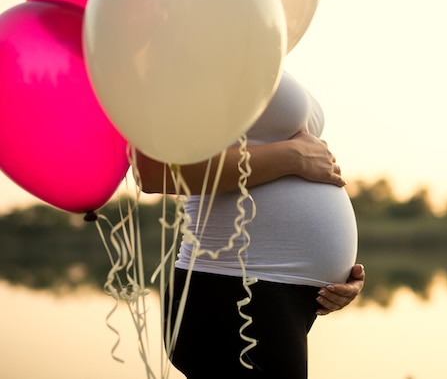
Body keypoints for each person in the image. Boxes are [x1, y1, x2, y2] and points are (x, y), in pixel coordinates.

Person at [136, 70, 363, 378]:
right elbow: (152, 171)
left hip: (276, 296)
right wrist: (293, 156)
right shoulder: (189, 51)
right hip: (231, 290)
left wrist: (338, 276)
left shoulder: (257, 48)